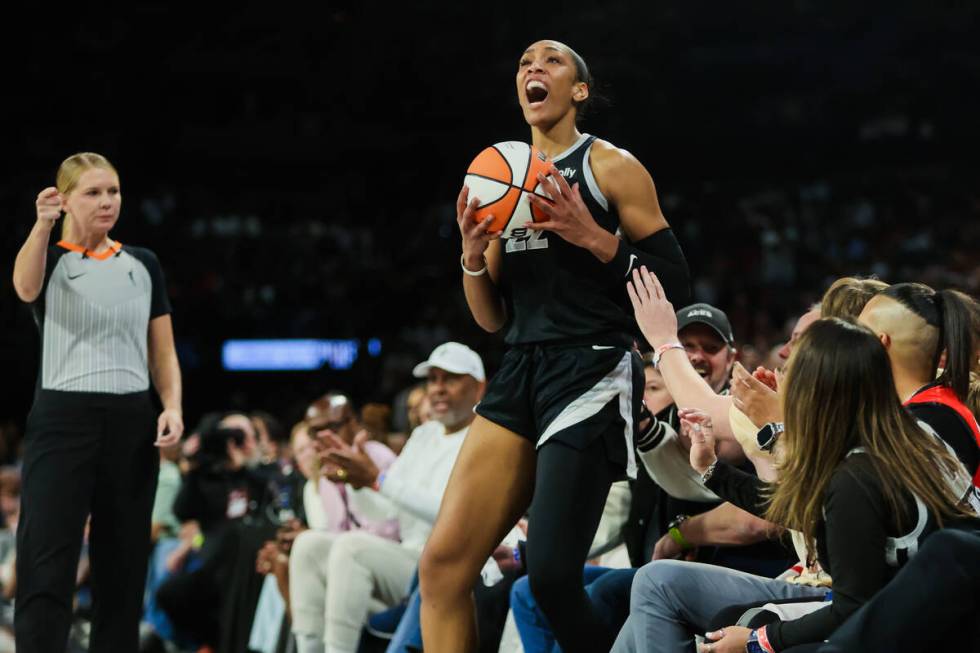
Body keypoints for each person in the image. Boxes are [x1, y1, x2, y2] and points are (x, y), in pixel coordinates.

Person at [418, 40, 690, 653]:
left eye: (552, 61)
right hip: (520, 365)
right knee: (442, 567)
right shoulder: (496, 177)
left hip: (591, 364)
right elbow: (490, 319)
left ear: (580, 91)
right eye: (523, 63)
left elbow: (674, 284)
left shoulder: (612, 167)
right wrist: (468, 256)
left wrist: (593, 236)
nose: (533, 69)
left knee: (550, 578)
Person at [617, 269, 978, 653]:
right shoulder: (901, 432)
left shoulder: (879, 456)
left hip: (915, 628)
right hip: (915, 614)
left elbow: (854, 603)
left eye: (794, 370)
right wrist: (712, 469)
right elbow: (811, 511)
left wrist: (759, 642)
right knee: (688, 602)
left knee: (727, 621)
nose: (783, 363)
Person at [11, 152, 182, 652]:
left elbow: (164, 352)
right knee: (47, 559)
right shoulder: (51, 257)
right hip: (63, 419)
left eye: (113, 191)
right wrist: (41, 227)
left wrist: (171, 405)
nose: (108, 201)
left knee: (124, 565)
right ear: (63, 199)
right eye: (93, 192)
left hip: (132, 422)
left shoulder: (143, 264)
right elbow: (24, 287)